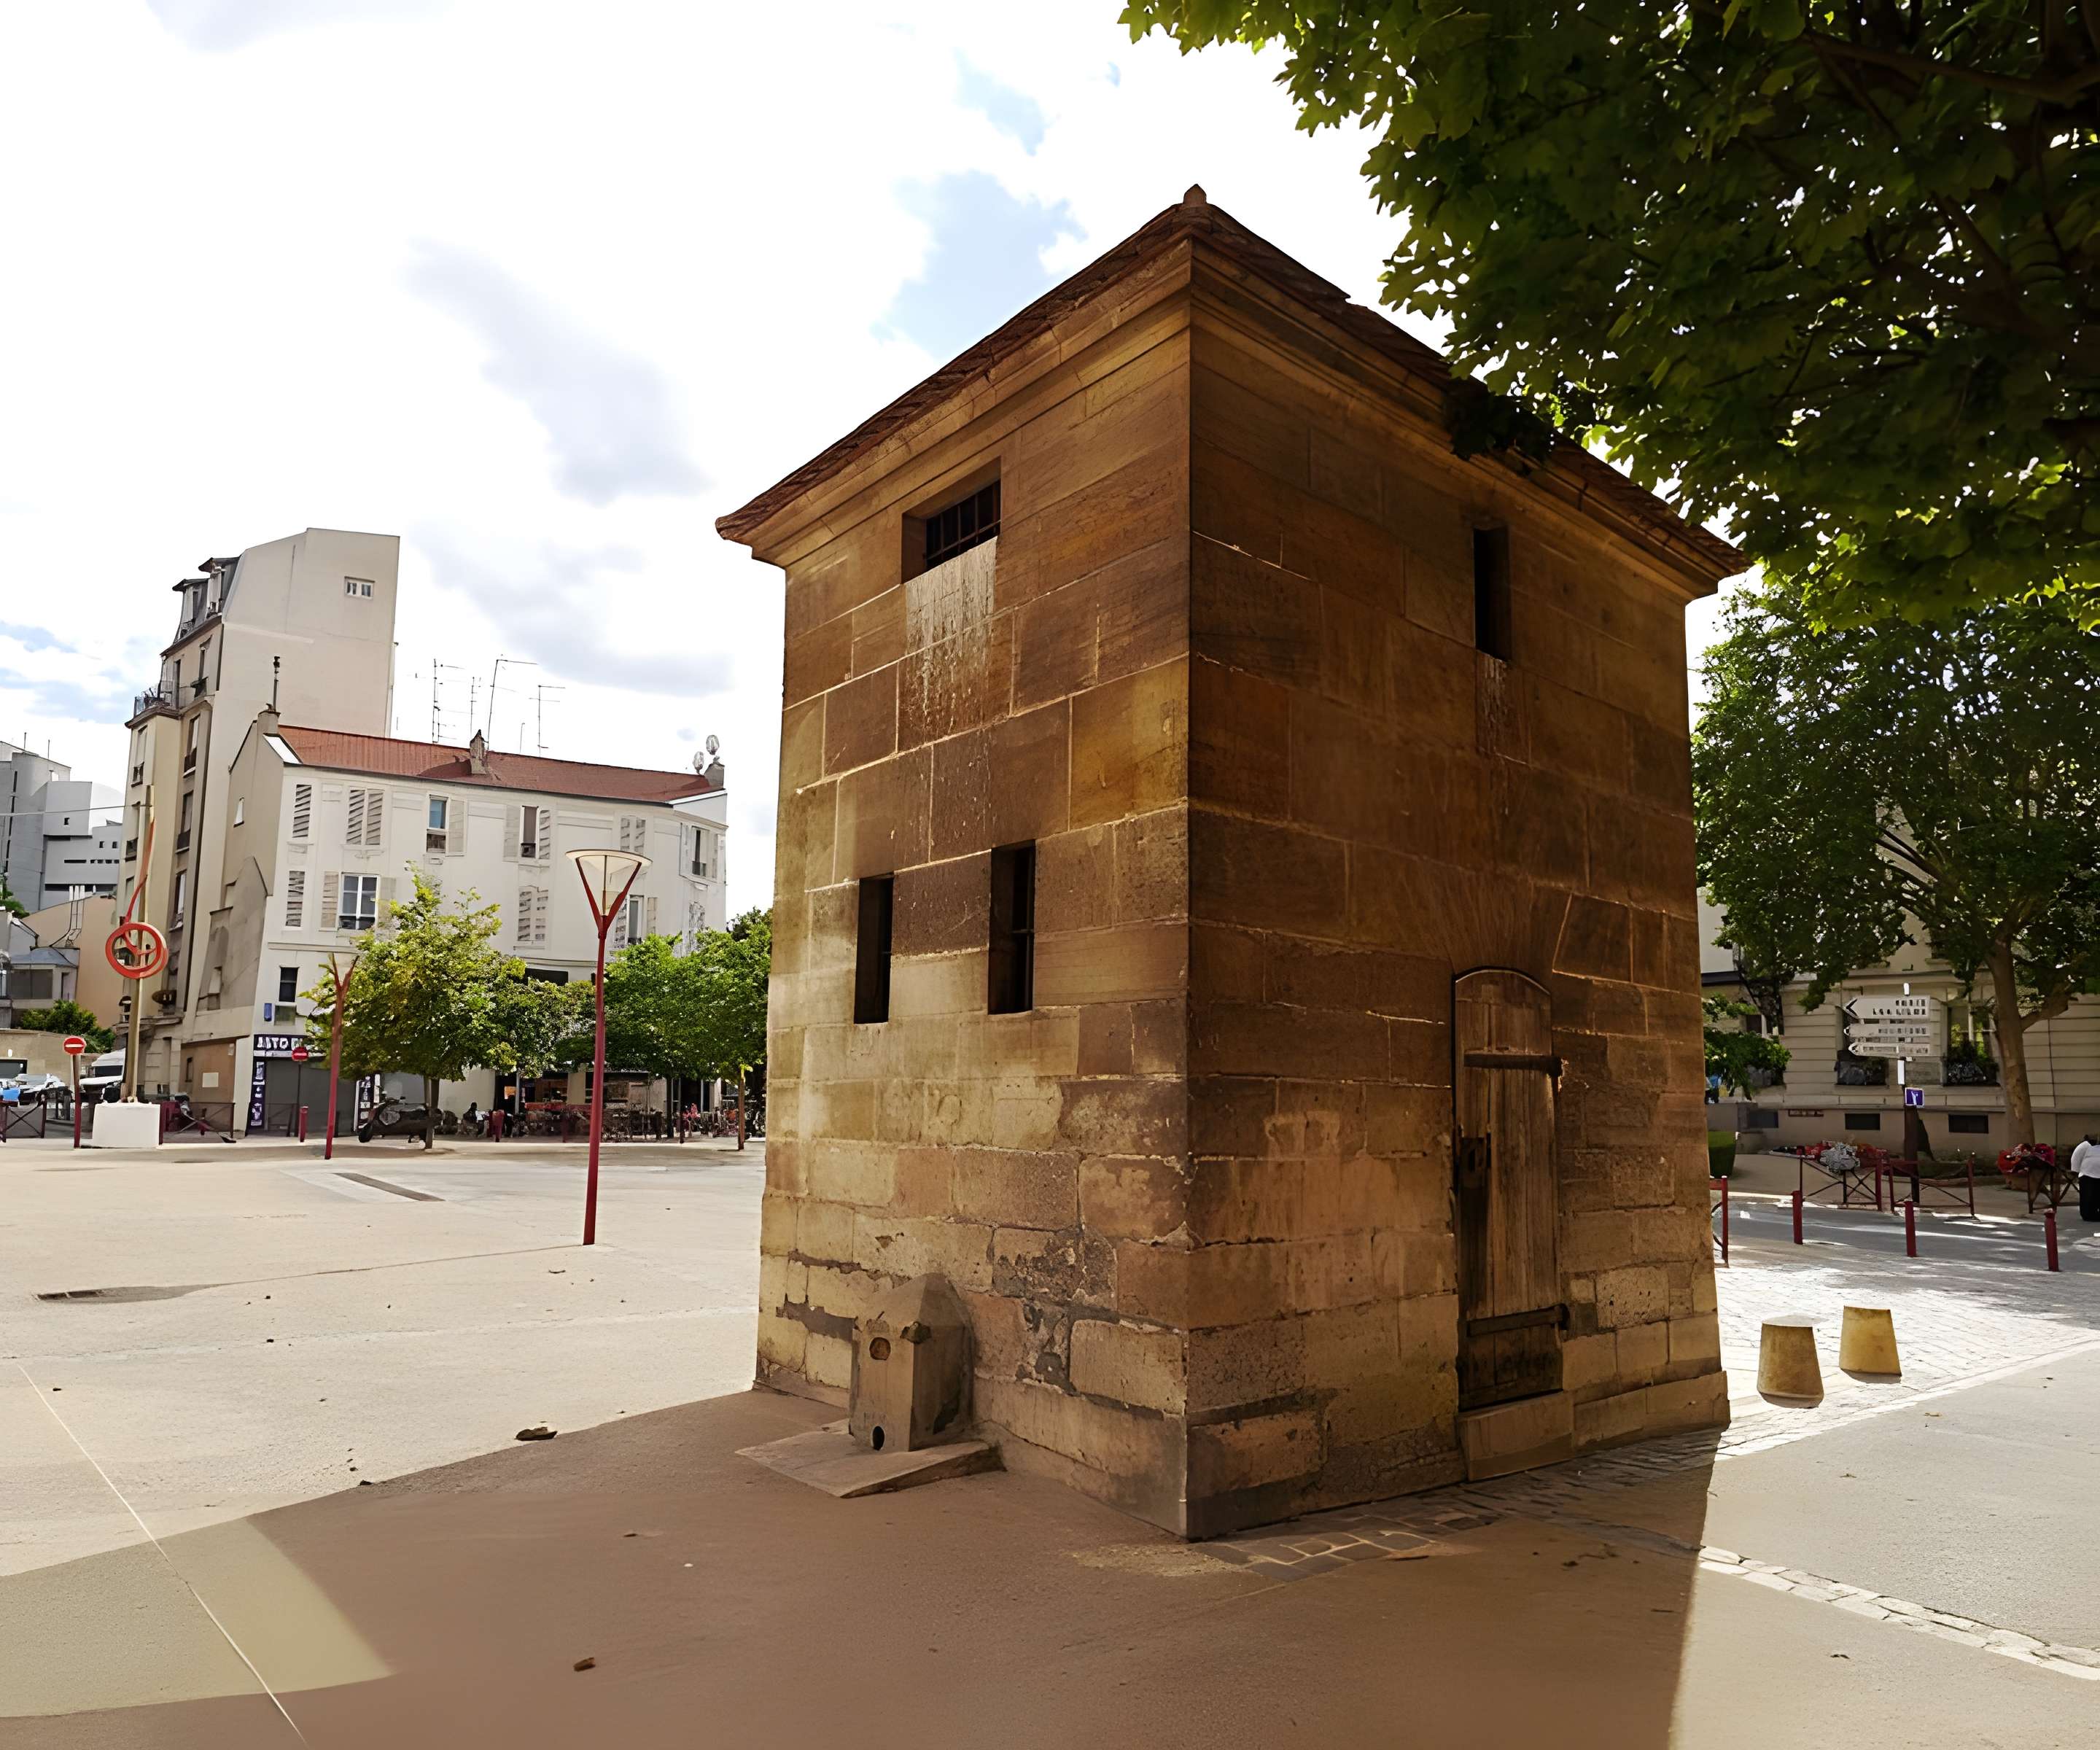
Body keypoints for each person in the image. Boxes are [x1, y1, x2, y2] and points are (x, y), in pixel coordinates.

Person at [2074, 1130, 2100, 1223]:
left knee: (2095, 1195)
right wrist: (2076, 1170)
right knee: (2088, 1196)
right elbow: (2076, 1158)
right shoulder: (2084, 1146)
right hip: (2087, 1174)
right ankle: (2088, 1215)